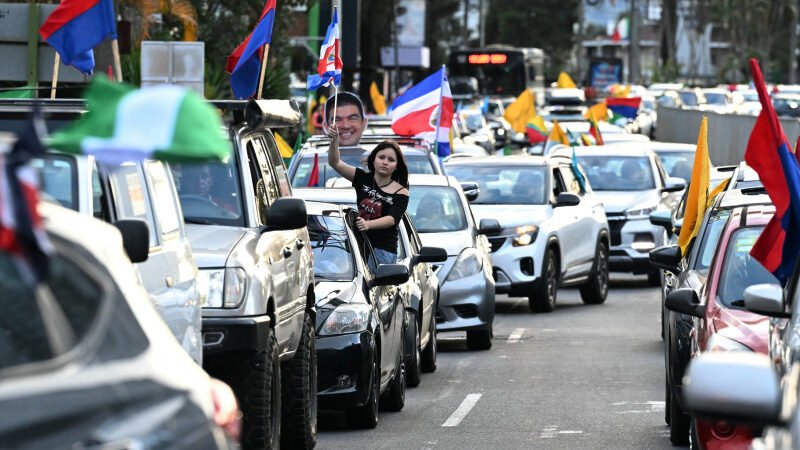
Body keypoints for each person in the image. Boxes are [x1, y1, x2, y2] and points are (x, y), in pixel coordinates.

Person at [327, 127, 409, 265]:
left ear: (396, 166)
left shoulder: (401, 192)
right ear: (373, 159)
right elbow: (335, 162)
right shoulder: (362, 178)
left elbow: (392, 219)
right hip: (357, 245)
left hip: (383, 251)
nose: (385, 162)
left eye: (391, 160)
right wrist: (334, 140)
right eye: (381, 157)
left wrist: (368, 224)